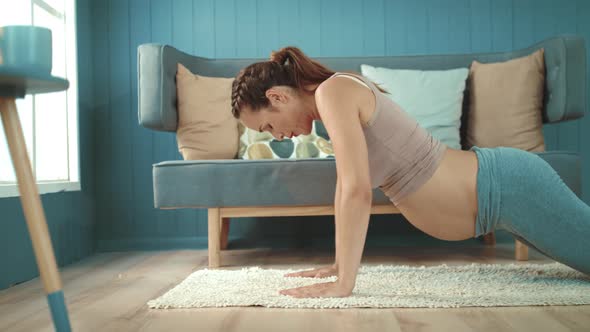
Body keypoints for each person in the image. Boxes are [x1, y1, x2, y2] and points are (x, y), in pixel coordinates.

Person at [230, 46, 590, 299]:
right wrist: (339, 265)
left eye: (266, 127)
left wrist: (346, 284)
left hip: (507, 187)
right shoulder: (333, 95)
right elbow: (346, 188)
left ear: (277, 97)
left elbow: (358, 190)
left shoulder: (333, 91)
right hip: (500, 197)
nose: (276, 136)